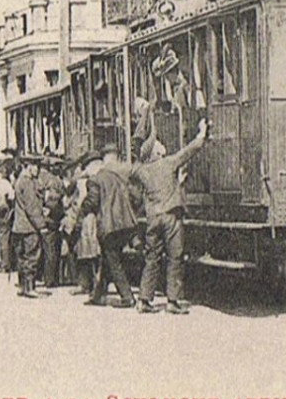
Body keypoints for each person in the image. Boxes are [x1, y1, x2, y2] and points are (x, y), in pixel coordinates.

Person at [130, 118, 207, 314]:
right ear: (157, 153)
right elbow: (188, 152)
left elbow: (134, 163)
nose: (163, 146)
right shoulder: (169, 163)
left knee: (152, 258)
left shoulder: (142, 171)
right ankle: (172, 301)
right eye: (159, 145)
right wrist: (201, 134)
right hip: (171, 218)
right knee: (175, 257)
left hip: (153, 218)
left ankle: (144, 300)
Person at [82, 142, 138, 308]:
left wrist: (83, 208)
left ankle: (127, 297)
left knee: (113, 262)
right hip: (125, 225)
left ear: (93, 166)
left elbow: (92, 201)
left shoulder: (95, 180)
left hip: (109, 226)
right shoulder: (117, 177)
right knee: (108, 260)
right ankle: (98, 295)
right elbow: (136, 197)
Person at [11, 156, 47, 298]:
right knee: (32, 257)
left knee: (22, 257)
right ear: (29, 166)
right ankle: (30, 287)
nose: (37, 170)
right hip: (29, 226)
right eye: (35, 166)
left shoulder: (20, 180)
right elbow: (32, 207)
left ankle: (23, 286)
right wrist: (41, 225)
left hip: (19, 226)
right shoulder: (27, 183)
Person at [68, 156, 102, 296]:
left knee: (88, 254)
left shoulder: (83, 182)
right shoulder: (87, 181)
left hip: (88, 219)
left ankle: (90, 285)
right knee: (89, 253)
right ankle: (90, 284)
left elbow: (77, 202)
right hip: (91, 220)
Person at [37, 155, 66, 288]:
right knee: (52, 250)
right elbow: (55, 201)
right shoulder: (55, 181)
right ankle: (52, 278)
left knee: (48, 250)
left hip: (47, 218)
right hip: (53, 219)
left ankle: (48, 278)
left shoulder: (43, 180)